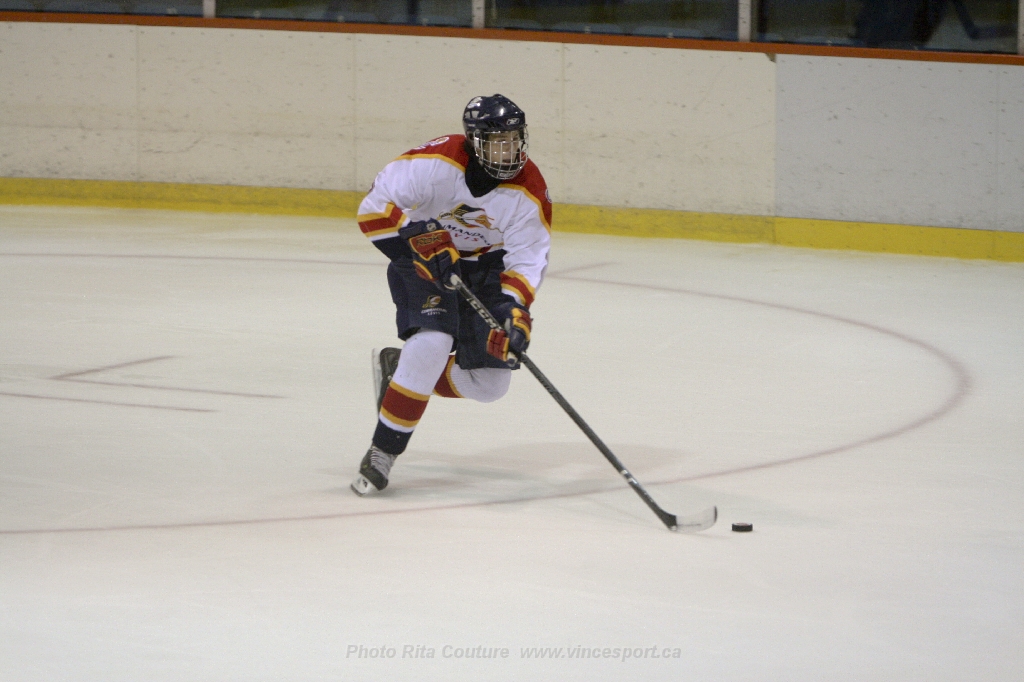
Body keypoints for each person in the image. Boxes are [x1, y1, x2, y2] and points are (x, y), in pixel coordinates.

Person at [351, 94, 552, 496]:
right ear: (475, 142)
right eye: (498, 141)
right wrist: (417, 240)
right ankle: (383, 450)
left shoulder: (529, 188)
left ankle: (400, 372)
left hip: (485, 267)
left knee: (490, 384)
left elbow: (527, 261)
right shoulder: (435, 162)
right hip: (421, 258)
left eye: (514, 139)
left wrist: (514, 312)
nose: (510, 149)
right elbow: (373, 208)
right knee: (433, 342)